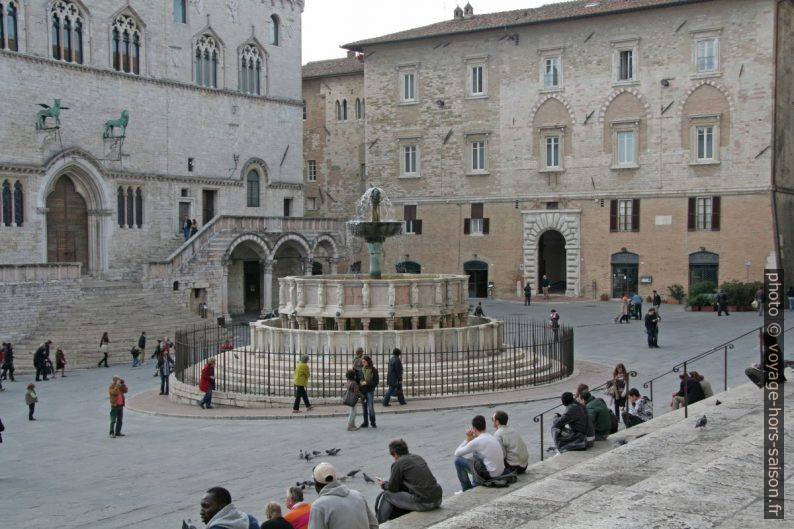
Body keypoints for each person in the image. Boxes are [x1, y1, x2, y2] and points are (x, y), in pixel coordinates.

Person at [373, 438, 443, 523]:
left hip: (425, 503)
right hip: (438, 499)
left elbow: (392, 488)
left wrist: (383, 484)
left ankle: (378, 525)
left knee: (387, 495)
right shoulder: (418, 457)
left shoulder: (398, 463)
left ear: (395, 454)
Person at [309, 462, 379, 529]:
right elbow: (374, 525)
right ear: (335, 478)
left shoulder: (318, 506)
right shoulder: (358, 495)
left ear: (316, 482)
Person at [453, 415, 505, 491]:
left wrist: (467, 440)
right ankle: (475, 483)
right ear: (484, 426)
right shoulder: (491, 437)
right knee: (476, 455)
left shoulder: (477, 441)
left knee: (458, 461)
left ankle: (466, 488)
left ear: (473, 428)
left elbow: (457, 453)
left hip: (490, 475)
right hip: (500, 472)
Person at [359, 355, 379, 428]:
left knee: (370, 407)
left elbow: (376, 381)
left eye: (364, 362)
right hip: (363, 391)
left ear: (368, 361)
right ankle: (365, 422)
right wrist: (361, 383)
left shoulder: (374, 370)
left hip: (370, 390)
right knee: (364, 408)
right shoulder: (361, 370)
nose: (363, 363)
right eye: (362, 362)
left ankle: (373, 422)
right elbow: (359, 379)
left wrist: (367, 383)